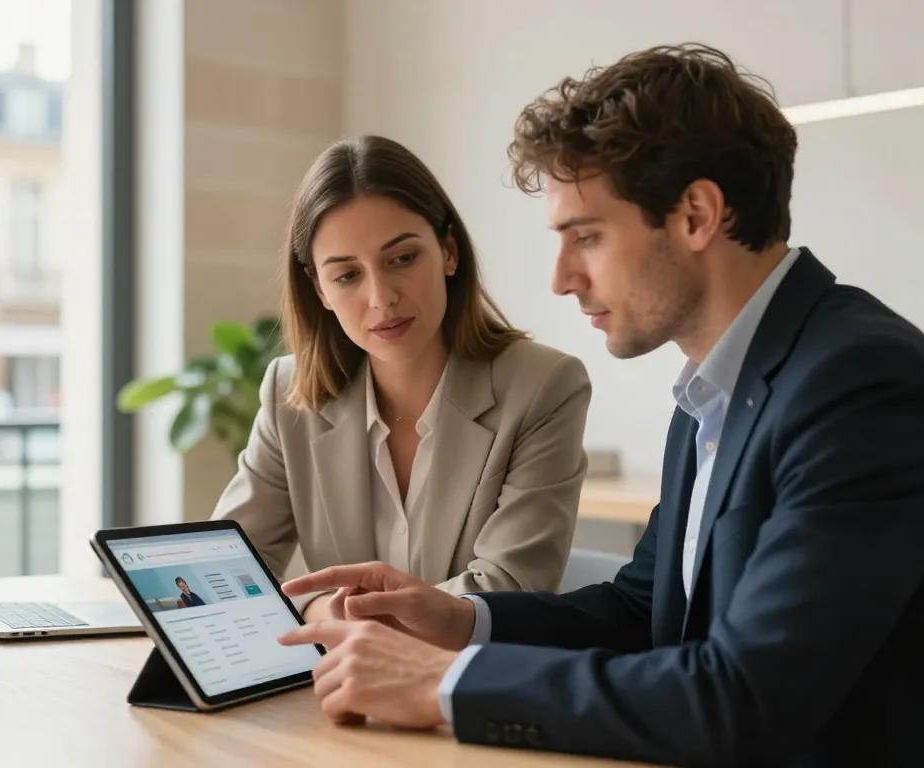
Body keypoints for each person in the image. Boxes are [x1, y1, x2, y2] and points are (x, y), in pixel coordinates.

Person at [276, 44, 924, 767]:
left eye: (585, 236)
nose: (560, 279)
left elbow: (742, 695)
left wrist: (448, 683)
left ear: (696, 214)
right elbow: (640, 613)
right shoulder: (714, 390)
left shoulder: (858, 383)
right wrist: (458, 620)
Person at [211, 135, 591, 621]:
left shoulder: (544, 386)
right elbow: (225, 573)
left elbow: (509, 588)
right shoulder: (290, 396)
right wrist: (319, 609)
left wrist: (321, 613)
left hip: (465, 686)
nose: (382, 298)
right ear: (319, 290)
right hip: (339, 686)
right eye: (347, 275)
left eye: (403, 259)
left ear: (448, 251)